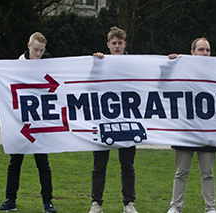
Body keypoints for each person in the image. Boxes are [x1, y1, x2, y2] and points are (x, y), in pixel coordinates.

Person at [0, 32, 57, 213]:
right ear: (28, 46)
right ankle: (10, 199)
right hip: (20, 120)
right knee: (15, 161)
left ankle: (48, 202)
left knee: (43, 163)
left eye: (41, 50)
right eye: (36, 50)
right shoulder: (17, 65)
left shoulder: (50, 64)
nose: (38, 54)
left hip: (39, 120)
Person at [89, 26, 138, 213]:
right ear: (108, 45)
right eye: (114, 43)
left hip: (127, 120)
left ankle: (129, 203)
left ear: (124, 44)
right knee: (99, 165)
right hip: (103, 121)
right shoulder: (100, 62)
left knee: (127, 165)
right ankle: (96, 203)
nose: (117, 46)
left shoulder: (133, 63)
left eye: (120, 43)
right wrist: (95, 63)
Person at [166, 37, 216, 213]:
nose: (205, 53)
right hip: (185, 129)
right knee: (181, 172)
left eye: (207, 50)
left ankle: (211, 208)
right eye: (201, 49)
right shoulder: (180, 69)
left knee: (208, 173)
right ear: (192, 52)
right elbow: (161, 83)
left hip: (207, 129)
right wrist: (169, 64)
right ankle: (175, 206)